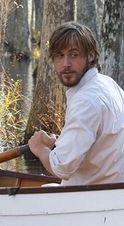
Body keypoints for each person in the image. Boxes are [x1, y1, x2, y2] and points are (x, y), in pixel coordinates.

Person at [28, 22, 124, 185]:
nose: (66, 64)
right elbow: (100, 141)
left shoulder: (85, 101)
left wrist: (40, 149)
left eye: (74, 55)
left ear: (91, 56)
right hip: (111, 192)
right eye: (60, 55)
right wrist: (58, 145)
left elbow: (61, 168)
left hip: (90, 198)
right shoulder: (107, 83)